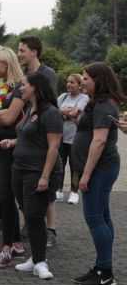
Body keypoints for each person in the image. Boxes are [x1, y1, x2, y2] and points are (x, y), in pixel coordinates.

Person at [0, 73, 62, 280]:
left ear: (35, 87)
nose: (20, 89)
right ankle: (34, 258)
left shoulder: (50, 113)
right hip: (19, 169)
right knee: (29, 214)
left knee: (34, 215)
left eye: (24, 85)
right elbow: (28, 135)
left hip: (37, 172)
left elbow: (53, 147)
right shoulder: (29, 110)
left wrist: (45, 176)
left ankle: (41, 262)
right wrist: (13, 143)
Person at [71, 63, 124, 285]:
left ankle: (105, 273)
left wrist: (86, 174)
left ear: (99, 80)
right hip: (100, 168)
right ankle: (102, 266)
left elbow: (99, 141)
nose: (83, 80)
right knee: (102, 216)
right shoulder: (98, 104)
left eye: (86, 77)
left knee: (94, 217)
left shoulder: (104, 105)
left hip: (100, 169)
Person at [0, 47, 26, 268]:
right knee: (5, 196)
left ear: (7, 64)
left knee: (7, 196)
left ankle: (7, 246)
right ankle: (14, 242)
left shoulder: (19, 87)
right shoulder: (2, 88)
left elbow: (9, 118)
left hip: (11, 147)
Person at [18, 35, 59, 247]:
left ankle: (50, 229)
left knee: (46, 188)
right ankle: (31, 225)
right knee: (27, 187)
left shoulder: (47, 74)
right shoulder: (23, 74)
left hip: (42, 134)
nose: (19, 53)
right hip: (28, 129)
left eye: (22, 50)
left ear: (34, 51)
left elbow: (49, 102)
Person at [56, 73, 89, 204]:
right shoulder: (63, 97)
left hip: (76, 138)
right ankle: (58, 190)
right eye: (68, 82)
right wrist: (68, 113)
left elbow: (76, 113)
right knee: (59, 164)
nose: (69, 84)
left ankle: (74, 192)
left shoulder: (84, 98)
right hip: (61, 137)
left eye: (72, 82)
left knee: (75, 166)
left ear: (80, 85)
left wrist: (64, 113)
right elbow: (53, 111)